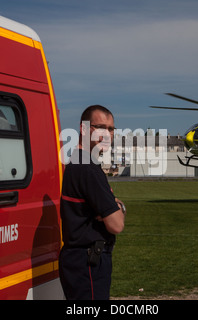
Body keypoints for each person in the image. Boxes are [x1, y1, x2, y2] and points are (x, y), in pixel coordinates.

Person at [59, 105, 126, 300]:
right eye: (100, 127)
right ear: (84, 129)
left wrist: (115, 206)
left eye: (111, 129)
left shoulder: (79, 162)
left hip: (78, 261)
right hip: (87, 262)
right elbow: (116, 224)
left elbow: (112, 210)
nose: (107, 134)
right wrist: (118, 207)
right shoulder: (88, 169)